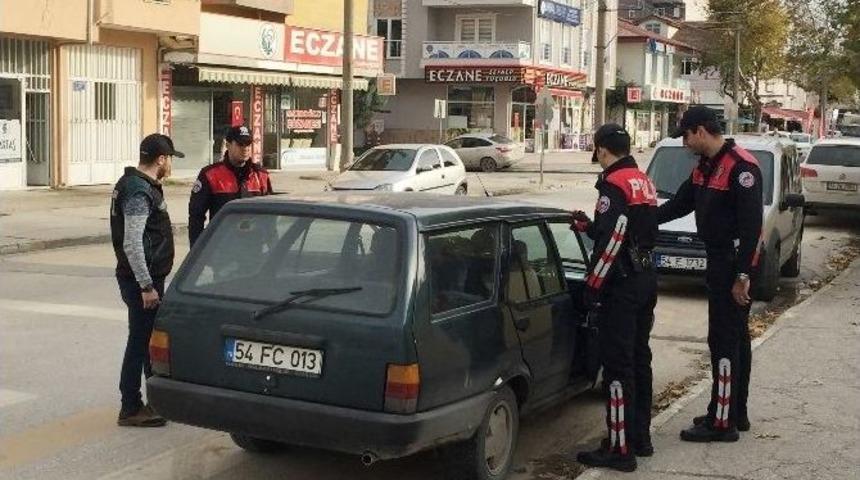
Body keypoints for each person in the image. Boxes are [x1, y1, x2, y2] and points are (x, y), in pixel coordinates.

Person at [658, 106, 763, 442]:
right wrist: (642, 218)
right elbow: (679, 204)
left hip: (734, 263)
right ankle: (733, 410)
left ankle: (722, 423)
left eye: (686, 136)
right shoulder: (706, 166)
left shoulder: (740, 167)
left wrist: (743, 275)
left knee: (724, 342)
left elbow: (752, 228)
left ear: (701, 131)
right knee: (735, 341)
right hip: (718, 259)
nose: (685, 144)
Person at [572, 124, 659, 472]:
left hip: (620, 286)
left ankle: (619, 450)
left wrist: (592, 287)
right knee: (640, 359)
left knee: (617, 367)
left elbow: (611, 241)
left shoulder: (613, 184)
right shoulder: (642, 180)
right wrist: (588, 227)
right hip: (645, 279)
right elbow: (631, 231)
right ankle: (640, 437)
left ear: (602, 150)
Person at [110, 133, 183, 427]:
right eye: (169, 160)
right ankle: (130, 406)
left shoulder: (137, 185)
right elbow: (132, 242)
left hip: (147, 278)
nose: (170, 166)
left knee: (146, 341)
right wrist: (146, 286)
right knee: (140, 342)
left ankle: (154, 400)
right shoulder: (139, 191)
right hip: (143, 282)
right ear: (161, 159)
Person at [188, 125, 273, 246]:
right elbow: (196, 217)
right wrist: (196, 253)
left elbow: (270, 218)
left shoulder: (261, 175)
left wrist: (275, 250)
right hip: (222, 247)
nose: (245, 149)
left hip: (254, 248)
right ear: (228, 145)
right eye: (240, 144)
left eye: (248, 144)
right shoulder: (210, 175)